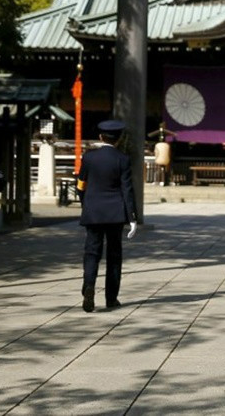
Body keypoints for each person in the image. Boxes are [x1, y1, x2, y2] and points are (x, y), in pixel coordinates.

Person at [77, 119, 138, 312]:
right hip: (115, 213)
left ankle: (89, 285)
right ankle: (111, 298)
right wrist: (132, 217)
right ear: (118, 139)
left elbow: (81, 184)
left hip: (94, 212)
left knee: (92, 252)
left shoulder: (88, 157)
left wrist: (85, 203)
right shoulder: (122, 159)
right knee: (113, 255)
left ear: (100, 136)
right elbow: (127, 190)